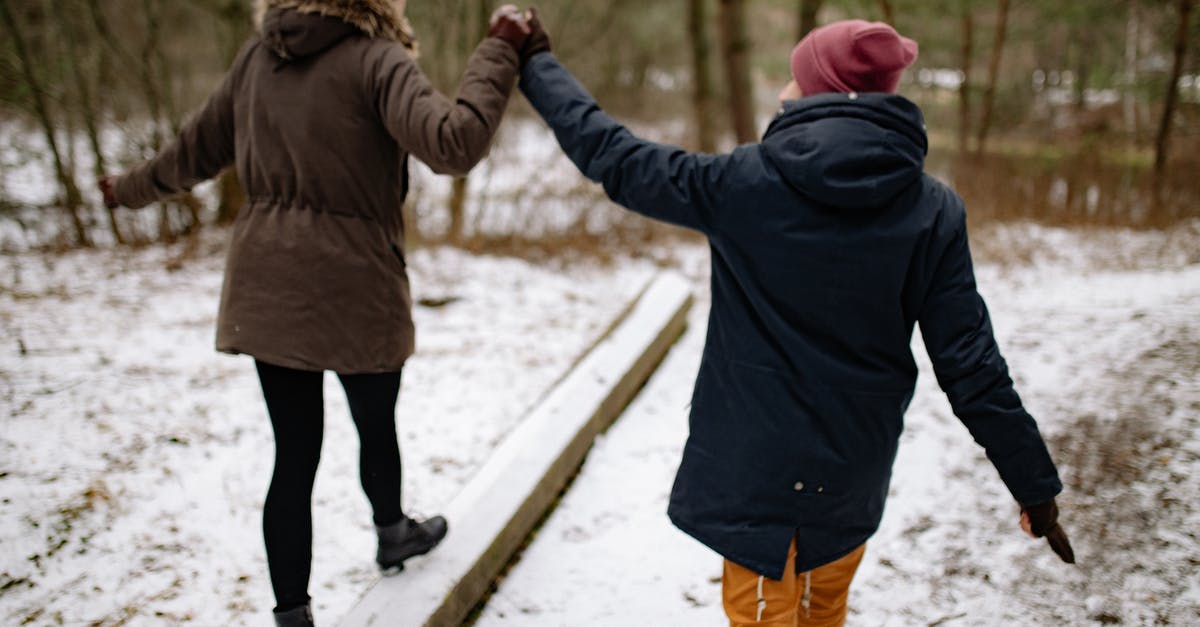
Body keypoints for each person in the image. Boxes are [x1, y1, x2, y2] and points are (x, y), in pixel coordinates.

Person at [515, 14, 1075, 627]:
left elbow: (613, 156)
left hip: (755, 474)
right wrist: (1033, 485)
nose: (784, 87)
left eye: (795, 74)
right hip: (852, 473)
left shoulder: (742, 184)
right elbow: (971, 364)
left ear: (821, 88)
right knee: (822, 612)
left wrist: (537, 62)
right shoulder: (932, 209)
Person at [98, 1, 532, 625]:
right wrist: (499, 48)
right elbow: (455, 143)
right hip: (358, 281)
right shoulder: (379, 60)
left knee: (294, 454)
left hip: (267, 282)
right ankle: (391, 531)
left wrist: (127, 189)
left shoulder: (257, 58)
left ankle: (296, 613)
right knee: (375, 426)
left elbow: (191, 153)